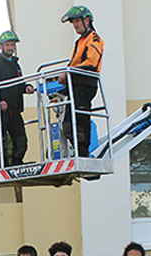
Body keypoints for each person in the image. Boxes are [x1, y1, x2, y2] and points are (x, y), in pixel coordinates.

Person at [0, 30, 35, 167]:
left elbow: (19, 83)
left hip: (14, 108)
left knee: (21, 140)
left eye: (12, 45)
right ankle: (2, 166)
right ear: (0, 46)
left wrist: (26, 88)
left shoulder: (15, 64)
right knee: (1, 140)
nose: (10, 48)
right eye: (7, 45)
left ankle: (16, 163)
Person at [59, 5, 103, 158]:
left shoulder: (94, 39)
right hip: (75, 84)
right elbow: (73, 62)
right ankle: (77, 150)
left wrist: (68, 71)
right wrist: (65, 74)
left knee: (81, 119)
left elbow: (91, 63)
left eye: (77, 21)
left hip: (86, 84)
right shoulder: (79, 42)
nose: (75, 25)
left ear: (87, 20)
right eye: (73, 23)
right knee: (67, 123)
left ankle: (82, 152)